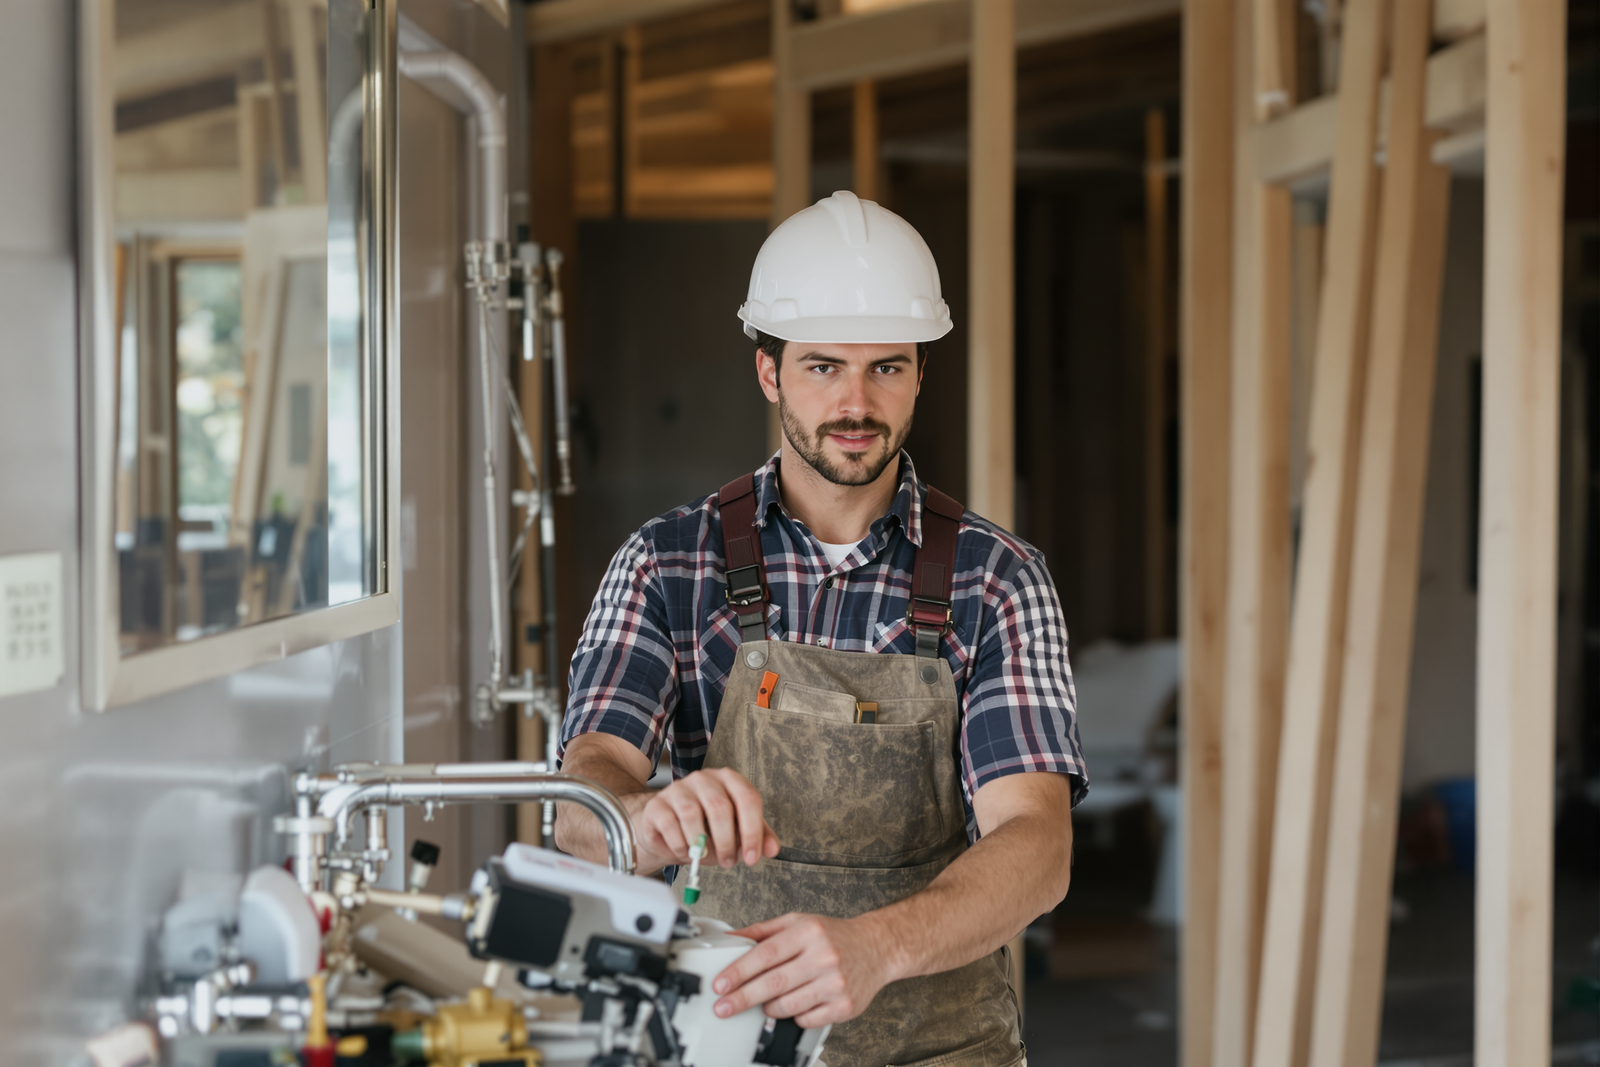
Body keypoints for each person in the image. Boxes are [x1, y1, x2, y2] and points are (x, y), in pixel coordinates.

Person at [556, 190, 1087, 1067]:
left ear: (921, 371)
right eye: (823, 366)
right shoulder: (667, 563)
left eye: (886, 367)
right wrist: (644, 818)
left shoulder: (996, 580)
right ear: (768, 373)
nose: (856, 401)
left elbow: (1039, 846)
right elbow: (581, 800)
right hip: (719, 1043)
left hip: (943, 1051)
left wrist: (877, 946)